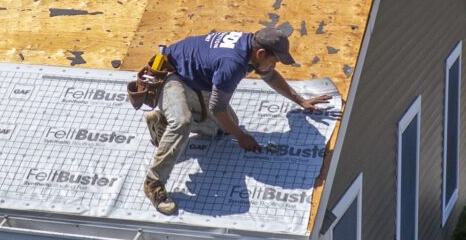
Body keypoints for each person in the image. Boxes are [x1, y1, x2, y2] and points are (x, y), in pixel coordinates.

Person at [142, 28, 335, 214]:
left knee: (225, 127)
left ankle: (163, 124)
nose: (274, 65)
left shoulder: (250, 46)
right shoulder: (232, 64)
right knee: (183, 122)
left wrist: (300, 100)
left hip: (189, 76)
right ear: (260, 53)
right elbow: (217, 109)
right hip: (167, 76)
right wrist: (242, 137)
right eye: (274, 60)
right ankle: (153, 183)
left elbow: (270, 76)